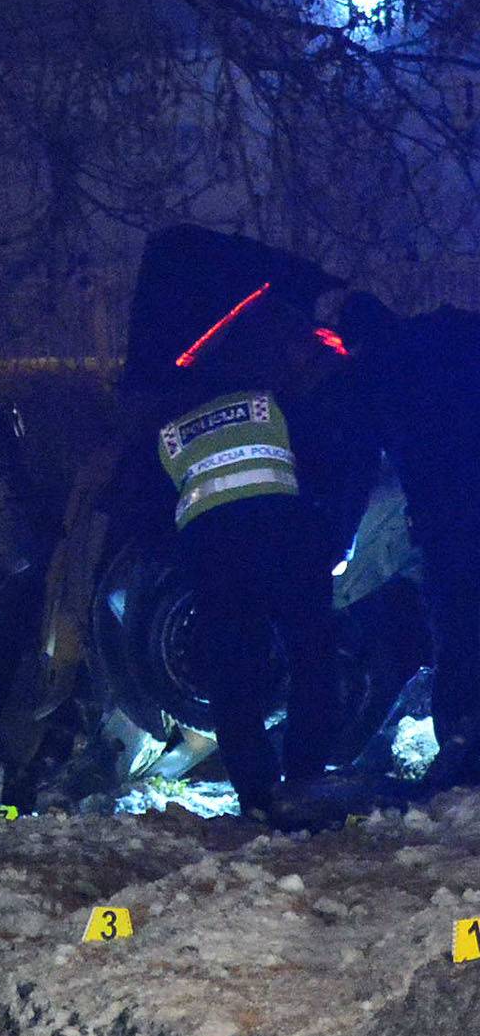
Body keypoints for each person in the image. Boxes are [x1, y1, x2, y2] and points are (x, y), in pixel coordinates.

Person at [152, 286, 339, 825]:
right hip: (284, 537)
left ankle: (255, 795)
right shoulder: (274, 403)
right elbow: (324, 466)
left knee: (232, 671)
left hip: (212, 553)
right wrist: (328, 535)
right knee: (312, 653)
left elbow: (155, 506)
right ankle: (304, 776)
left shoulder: (173, 428)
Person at [330, 290, 480, 788]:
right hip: (452, 516)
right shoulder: (453, 339)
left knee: (458, 630)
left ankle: (463, 756)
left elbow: (358, 467)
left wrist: (340, 542)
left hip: (449, 524)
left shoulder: (378, 377)